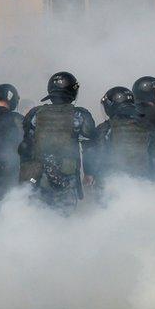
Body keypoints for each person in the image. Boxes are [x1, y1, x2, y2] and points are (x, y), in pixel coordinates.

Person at [18, 71, 96, 214]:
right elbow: (89, 146)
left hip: (37, 176)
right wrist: (89, 173)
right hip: (67, 176)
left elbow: (24, 147)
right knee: (63, 221)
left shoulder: (35, 114)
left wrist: (26, 178)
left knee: (37, 218)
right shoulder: (80, 115)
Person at [96, 86, 153, 180]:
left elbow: (99, 158)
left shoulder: (105, 128)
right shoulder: (147, 126)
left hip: (114, 181)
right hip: (143, 181)